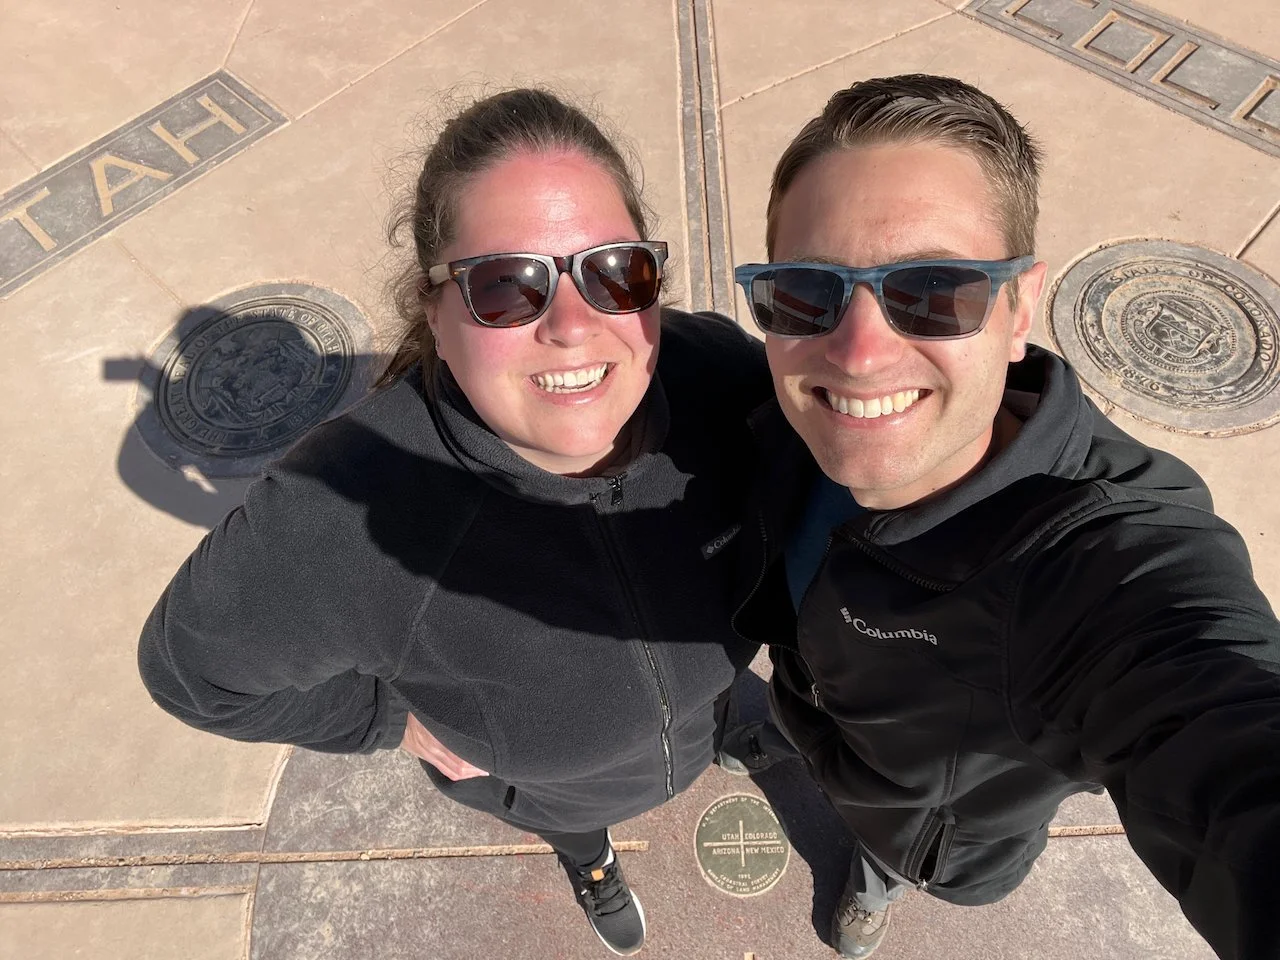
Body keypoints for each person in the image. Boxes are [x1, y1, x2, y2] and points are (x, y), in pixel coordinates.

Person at [137, 88, 780, 957]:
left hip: (696, 719)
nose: (574, 325)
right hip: (556, 794)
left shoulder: (717, 376)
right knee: (574, 821)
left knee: (717, 705)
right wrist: (385, 722)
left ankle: (727, 724)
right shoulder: (347, 513)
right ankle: (587, 860)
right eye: (506, 287)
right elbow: (192, 674)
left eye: (615, 270)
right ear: (434, 311)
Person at [730, 74, 1280, 959]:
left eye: (934, 290)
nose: (861, 351)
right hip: (815, 705)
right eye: (805, 290)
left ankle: (876, 888)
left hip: (926, 831)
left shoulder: (1097, 559)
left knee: (884, 857)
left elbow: (1211, 701)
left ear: (1021, 306)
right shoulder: (778, 411)